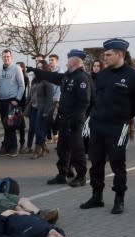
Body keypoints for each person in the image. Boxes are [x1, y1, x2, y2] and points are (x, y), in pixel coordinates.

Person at [82, 38, 135, 214]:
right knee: (96, 162)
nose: (105, 57)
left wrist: (125, 116)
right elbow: (97, 99)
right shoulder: (103, 75)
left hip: (118, 127)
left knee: (118, 164)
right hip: (98, 126)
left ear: (120, 54)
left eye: (108, 54)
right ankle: (97, 196)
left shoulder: (133, 76)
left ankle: (119, 199)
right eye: (105, 54)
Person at [29, 50, 92, 187]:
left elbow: (84, 102)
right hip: (64, 119)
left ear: (75, 61)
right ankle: (62, 174)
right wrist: (36, 70)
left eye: (68, 58)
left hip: (74, 120)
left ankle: (81, 176)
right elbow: (52, 76)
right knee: (62, 148)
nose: (66, 61)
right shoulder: (68, 76)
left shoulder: (82, 78)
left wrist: (76, 119)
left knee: (77, 148)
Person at [0, 49, 26, 157]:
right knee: (5, 125)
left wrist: (17, 100)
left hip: (12, 101)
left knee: (11, 125)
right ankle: (6, 148)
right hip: (2, 101)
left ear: (11, 58)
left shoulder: (16, 69)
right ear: (2, 58)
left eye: (8, 56)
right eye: (4, 56)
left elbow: (22, 86)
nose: (6, 58)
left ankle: (13, 149)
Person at [25, 61, 53, 157]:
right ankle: (43, 145)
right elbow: (30, 94)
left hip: (42, 108)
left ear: (45, 68)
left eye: (41, 67)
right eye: (37, 67)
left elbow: (50, 97)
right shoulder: (34, 80)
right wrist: (26, 104)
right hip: (33, 107)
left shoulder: (47, 80)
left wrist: (46, 111)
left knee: (39, 129)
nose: (39, 69)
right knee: (33, 128)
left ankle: (37, 150)